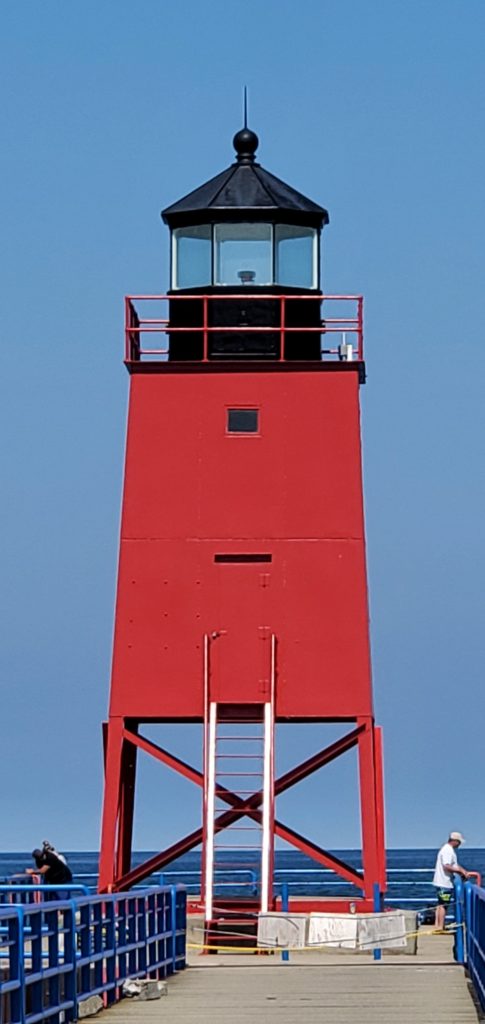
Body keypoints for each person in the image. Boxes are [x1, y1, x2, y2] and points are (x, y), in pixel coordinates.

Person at [433, 831, 471, 930]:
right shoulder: (447, 850)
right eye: (459, 842)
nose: (460, 844)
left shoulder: (447, 849)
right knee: (444, 905)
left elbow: (453, 864)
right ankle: (440, 926)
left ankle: (438, 925)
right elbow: (447, 866)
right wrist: (460, 871)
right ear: (455, 841)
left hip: (441, 881)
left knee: (441, 904)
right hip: (444, 882)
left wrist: (462, 870)